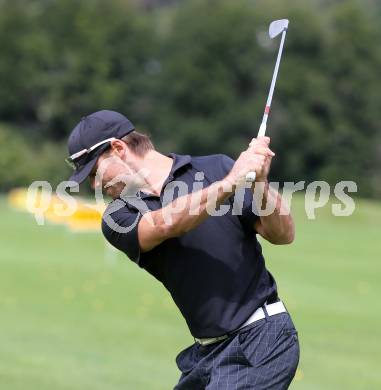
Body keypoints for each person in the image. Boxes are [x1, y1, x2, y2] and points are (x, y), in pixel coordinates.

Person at [65, 110, 300, 389]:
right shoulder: (118, 216)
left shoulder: (215, 168)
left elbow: (283, 234)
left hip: (261, 340)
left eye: (94, 172)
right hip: (207, 354)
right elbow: (166, 224)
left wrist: (259, 182)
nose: (95, 184)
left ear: (118, 148)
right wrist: (229, 184)